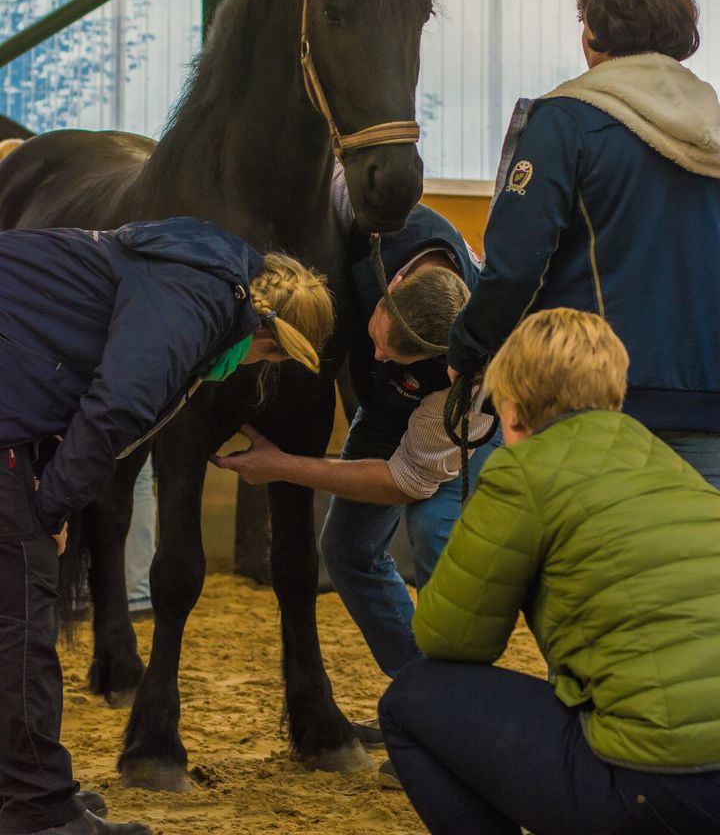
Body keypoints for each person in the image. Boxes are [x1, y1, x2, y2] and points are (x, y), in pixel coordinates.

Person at [0, 215, 333, 835]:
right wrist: (49, 511)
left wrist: (55, 500)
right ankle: (38, 811)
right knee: (24, 613)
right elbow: (117, 405)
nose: (250, 365)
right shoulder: (199, 300)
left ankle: (24, 791)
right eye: (268, 353)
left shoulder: (182, 270)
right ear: (266, 329)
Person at [379, 308, 720, 835]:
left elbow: (450, 641)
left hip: (661, 784)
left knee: (410, 698)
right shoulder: (669, 464)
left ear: (512, 408)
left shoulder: (520, 471)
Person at [213, 200, 498, 718]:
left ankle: (452, 714)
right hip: (389, 409)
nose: (380, 355)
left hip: (452, 426)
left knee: (437, 534)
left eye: (397, 355)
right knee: (346, 548)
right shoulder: (385, 225)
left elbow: (407, 479)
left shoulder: (470, 368)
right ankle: (427, 691)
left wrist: (281, 465)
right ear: (389, 291)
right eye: (378, 340)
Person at [448, 0, 720, 485]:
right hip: (710, 410)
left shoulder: (566, 123)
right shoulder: (712, 126)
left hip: (588, 401)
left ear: (592, 30)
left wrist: (469, 347)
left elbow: (516, 267)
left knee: (568, 564)